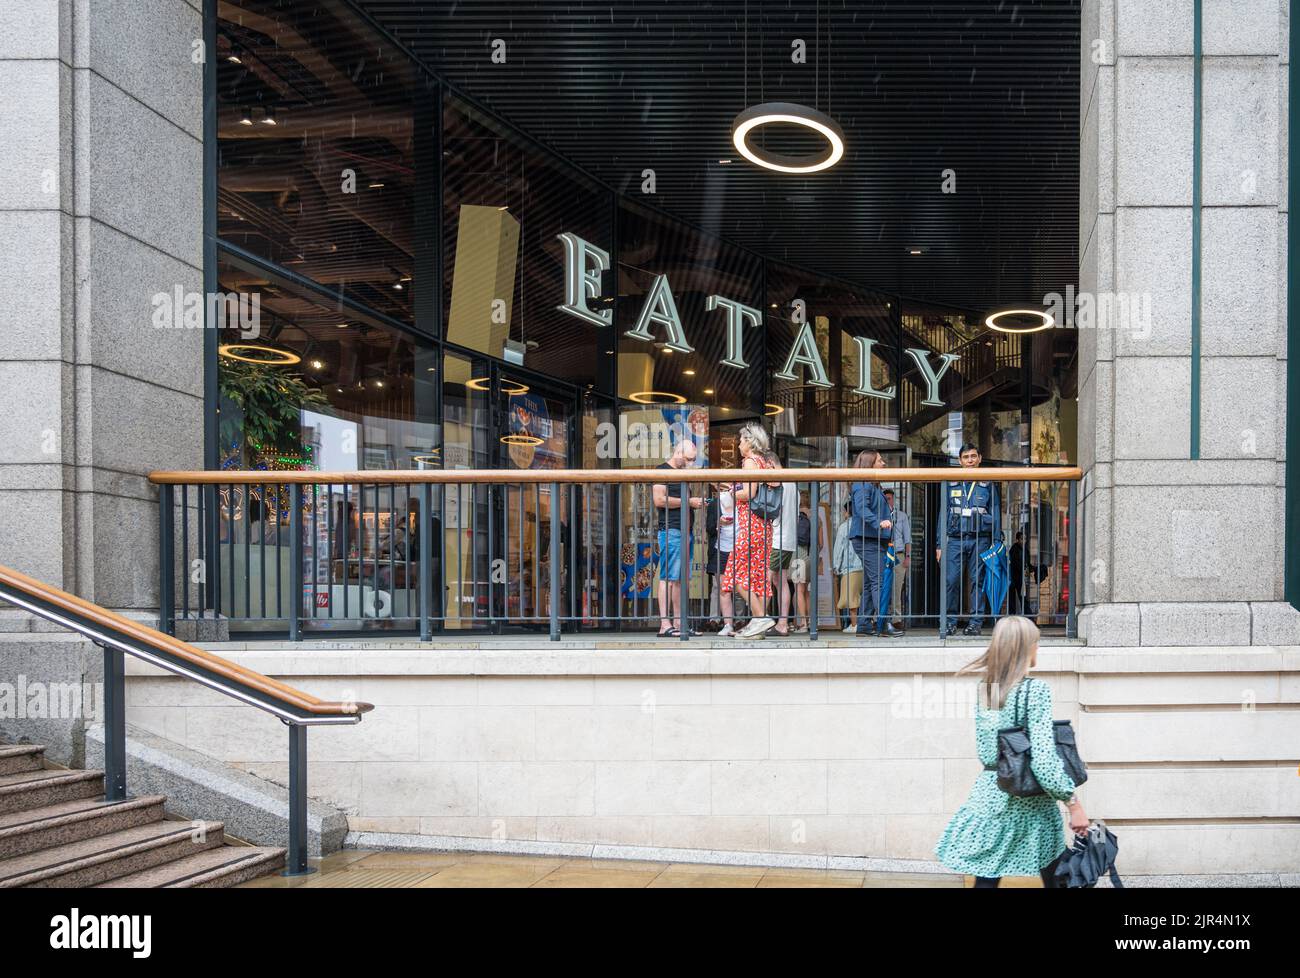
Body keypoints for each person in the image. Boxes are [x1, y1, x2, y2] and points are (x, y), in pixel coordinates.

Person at [934, 616, 1089, 887]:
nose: (1037, 649)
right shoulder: (1035, 691)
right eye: (1035, 643)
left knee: (988, 874)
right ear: (1023, 648)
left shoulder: (988, 689)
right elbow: (1043, 760)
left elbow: (991, 748)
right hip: (1031, 801)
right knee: (1057, 875)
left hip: (993, 794)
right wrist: (1073, 803)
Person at [935, 443, 1002, 638]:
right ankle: (949, 622)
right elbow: (942, 515)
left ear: (980, 458)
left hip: (980, 540)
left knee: (977, 582)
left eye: (973, 456)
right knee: (950, 581)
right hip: (955, 540)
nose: (970, 460)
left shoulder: (988, 482)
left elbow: (996, 512)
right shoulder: (951, 482)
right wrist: (939, 544)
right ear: (960, 461)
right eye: (966, 457)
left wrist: (996, 540)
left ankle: (975, 622)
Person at [721, 423, 776, 639]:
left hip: (751, 525)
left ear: (750, 442)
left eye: (741, 440)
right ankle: (757, 626)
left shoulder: (750, 462)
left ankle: (761, 617)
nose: (738, 444)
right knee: (757, 577)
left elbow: (749, 492)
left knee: (735, 574)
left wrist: (731, 493)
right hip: (762, 526)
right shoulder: (765, 462)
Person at [653, 438, 703, 637]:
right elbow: (658, 500)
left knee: (680, 580)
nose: (691, 463)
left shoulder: (681, 473)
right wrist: (689, 501)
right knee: (668, 578)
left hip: (684, 531)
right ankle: (665, 625)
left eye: (693, 460)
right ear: (678, 453)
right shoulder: (662, 469)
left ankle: (679, 623)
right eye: (689, 459)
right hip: (671, 530)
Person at [848, 449, 896, 637]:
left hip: (872, 539)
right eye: (880, 461)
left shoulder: (871, 485)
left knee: (870, 583)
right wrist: (879, 522)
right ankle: (883, 623)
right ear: (870, 464)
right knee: (880, 582)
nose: (883, 464)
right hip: (867, 539)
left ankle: (865, 624)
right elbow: (861, 509)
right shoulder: (862, 484)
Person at [769, 459, 800, 636]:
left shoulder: (779, 483)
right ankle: (782, 623)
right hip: (788, 538)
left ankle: (759, 621)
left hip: (777, 537)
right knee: (779, 581)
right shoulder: (792, 483)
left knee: (766, 579)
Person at [706, 481, 737, 635]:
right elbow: (709, 528)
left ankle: (741, 619)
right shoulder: (714, 505)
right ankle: (723, 622)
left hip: (739, 549)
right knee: (722, 587)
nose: (727, 491)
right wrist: (719, 523)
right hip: (720, 549)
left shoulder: (743, 502)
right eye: (723, 488)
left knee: (741, 587)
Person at [883, 487, 911, 631]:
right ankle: (880, 618)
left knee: (897, 588)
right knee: (882, 586)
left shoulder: (902, 516)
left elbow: (908, 539)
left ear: (893, 499)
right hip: (884, 553)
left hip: (899, 554)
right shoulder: (880, 515)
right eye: (885, 499)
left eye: (889, 498)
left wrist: (907, 557)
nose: (888, 501)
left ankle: (896, 619)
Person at [832, 500, 862, 631]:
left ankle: (855, 625)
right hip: (864, 566)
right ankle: (866, 622)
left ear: (847, 512)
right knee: (863, 596)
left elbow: (839, 548)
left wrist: (835, 566)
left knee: (851, 599)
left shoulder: (844, 527)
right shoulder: (863, 525)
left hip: (850, 567)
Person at [1008, 530, 1026, 615]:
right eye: (1022, 539)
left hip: (1019, 577)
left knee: (1022, 597)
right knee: (1013, 598)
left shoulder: (1025, 550)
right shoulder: (1014, 549)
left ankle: (1028, 616)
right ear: (1017, 540)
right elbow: (1015, 563)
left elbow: (1026, 563)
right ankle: (1012, 616)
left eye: (1025, 539)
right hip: (1014, 577)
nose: (1024, 541)